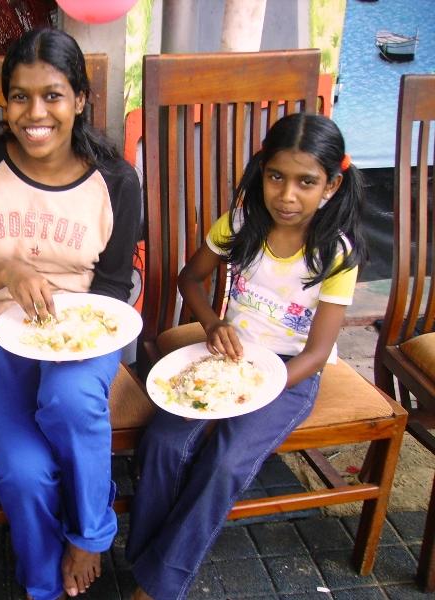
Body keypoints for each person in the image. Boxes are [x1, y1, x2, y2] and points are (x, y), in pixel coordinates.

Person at [0, 28, 141, 600]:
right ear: (6, 102)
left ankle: (89, 535)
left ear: (80, 99)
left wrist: (73, 332)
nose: (35, 113)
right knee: (23, 472)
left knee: (68, 400)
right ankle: (43, 584)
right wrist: (6, 272)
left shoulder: (116, 181)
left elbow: (114, 285)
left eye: (53, 95)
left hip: (84, 331)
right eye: (20, 96)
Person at [125, 113, 366, 600]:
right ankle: (147, 557)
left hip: (290, 374)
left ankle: (159, 584)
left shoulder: (336, 254)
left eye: (306, 182)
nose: (287, 195)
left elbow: (317, 353)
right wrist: (213, 325)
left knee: (226, 462)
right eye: (276, 177)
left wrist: (253, 391)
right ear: (262, 171)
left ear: (332, 185)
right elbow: (190, 279)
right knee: (165, 442)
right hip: (225, 357)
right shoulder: (241, 222)